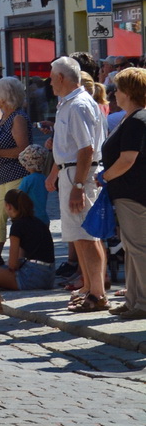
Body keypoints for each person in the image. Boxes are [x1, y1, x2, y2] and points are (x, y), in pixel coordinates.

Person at [47, 56, 107, 313]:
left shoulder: (79, 104)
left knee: (86, 236)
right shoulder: (69, 103)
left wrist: (79, 186)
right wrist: (56, 174)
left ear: (61, 78)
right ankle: (89, 288)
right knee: (79, 236)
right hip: (70, 172)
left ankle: (98, 293)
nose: (49, 83)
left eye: (51, 78)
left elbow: (86, 149)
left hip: (79, 174)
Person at [101, 66, 146, 321]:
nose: (114, 93)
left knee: (138, 248)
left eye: (117, 89)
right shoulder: (132, 117)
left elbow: (128, 159)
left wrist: (105, 176)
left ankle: (143, 302)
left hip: (134, 194)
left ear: (128, 92)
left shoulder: (138, 119)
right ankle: (133, 300)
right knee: (131, 247)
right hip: (129, 193)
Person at [0, 77, 30, 264]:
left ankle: (4, 257)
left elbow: (23, 149)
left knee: (12, 216)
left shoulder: (17, 118)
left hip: (16, 174)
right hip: (2, 177)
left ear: (5, 96)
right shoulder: (4, 117)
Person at [0, 190, 56, 293]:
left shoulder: (17, 226)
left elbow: (12, 265)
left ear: (8, 206)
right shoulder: (38, 222)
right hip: (49, 276)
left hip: (30, 277)